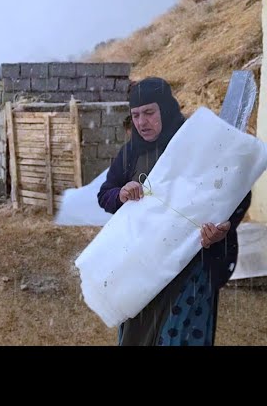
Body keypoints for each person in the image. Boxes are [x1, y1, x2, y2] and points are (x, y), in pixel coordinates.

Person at [97, 77, 251, 346]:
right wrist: (120, 194)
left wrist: (222, 228)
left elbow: (236, 193)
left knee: (178, 335)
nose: (142, 122)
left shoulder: (198, 145)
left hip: (190, 269)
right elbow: (105, 194)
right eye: (135, 115)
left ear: (165, 109)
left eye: (149, 113)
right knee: (138, 336)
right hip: (142, 268)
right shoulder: (131, 153)